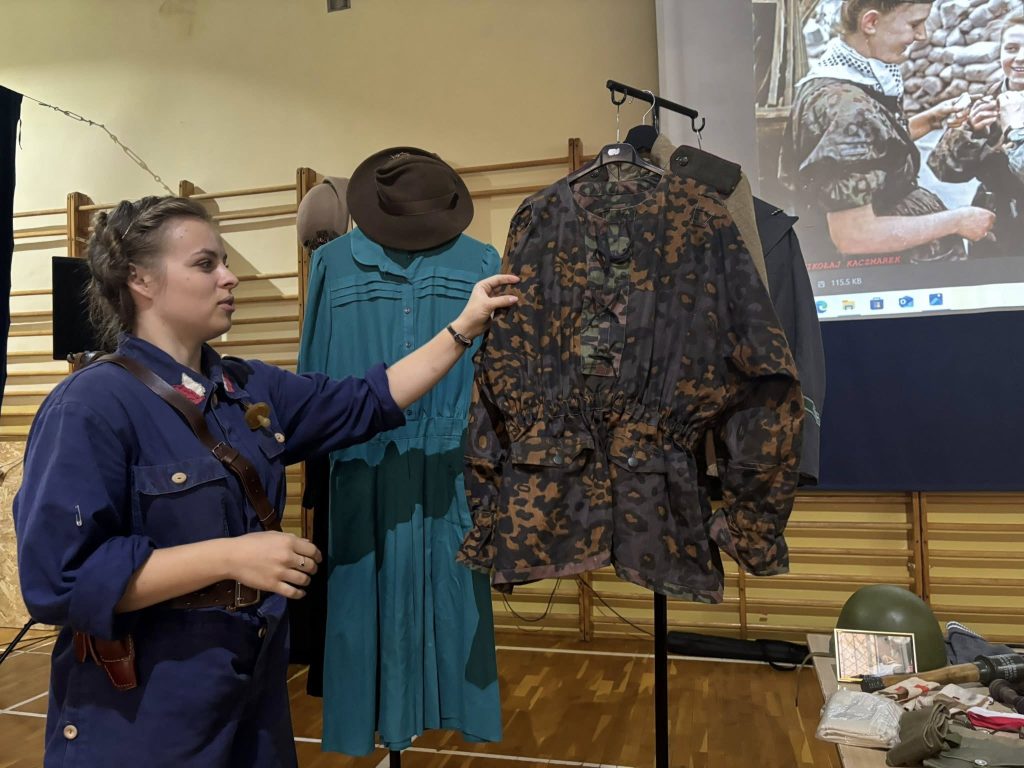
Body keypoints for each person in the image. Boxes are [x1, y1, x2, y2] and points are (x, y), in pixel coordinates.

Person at [12, 195, 518, 767]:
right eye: (206, 264)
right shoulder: (90, 405)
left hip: (249, 696)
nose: (229, 277)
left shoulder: (246, 389)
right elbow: (62, 581)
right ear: (140, 280)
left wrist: (462, 326)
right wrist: (231, 557)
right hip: (145, 715)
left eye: (223, 261)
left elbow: (367, 399)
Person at [780, 0, 995, 267]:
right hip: (885, 270)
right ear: (871, 23)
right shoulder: (847, 108)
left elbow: (874, 144)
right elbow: (854, 235)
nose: (922, 35)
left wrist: (931, 119)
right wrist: (958, 221)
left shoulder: (843, 82)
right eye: (914, 23)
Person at [928, 15, 1024, 259]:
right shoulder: (986, 99)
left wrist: (1015, 130)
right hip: (993, 227)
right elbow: (943, 172)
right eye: (1011, 48)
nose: (1020, 58)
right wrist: (971, 131)